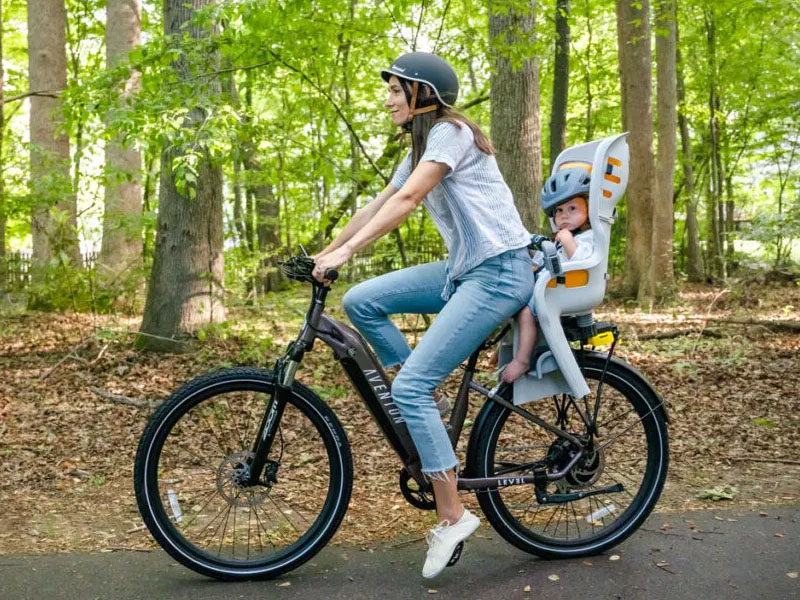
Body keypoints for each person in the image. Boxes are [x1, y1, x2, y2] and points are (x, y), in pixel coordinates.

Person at [312, 51, 533, 578]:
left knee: (406, 388)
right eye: (388, 88)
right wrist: (326, 250)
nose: (387, 97)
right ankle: (423, 395)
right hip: (464, 270)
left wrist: (347, 255)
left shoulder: (451, 133)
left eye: (396, 88)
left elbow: (410, 199)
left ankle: (452, 516)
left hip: (500, 272)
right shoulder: (420, 143)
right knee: (361, 301)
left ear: (424, 95)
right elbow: (378, 204)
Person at [500, 166, 595, 383]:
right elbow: (544, 262)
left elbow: (582, 263)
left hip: (564, 290)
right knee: (509, 303)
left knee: (525, 312)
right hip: (550, 285)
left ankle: (522, 359)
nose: (564, 216)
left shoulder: (586, 237)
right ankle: (507, 349)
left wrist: (568, 241)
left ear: (589, 209)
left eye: (572, 209)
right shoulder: (561, 238)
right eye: (559, 211)